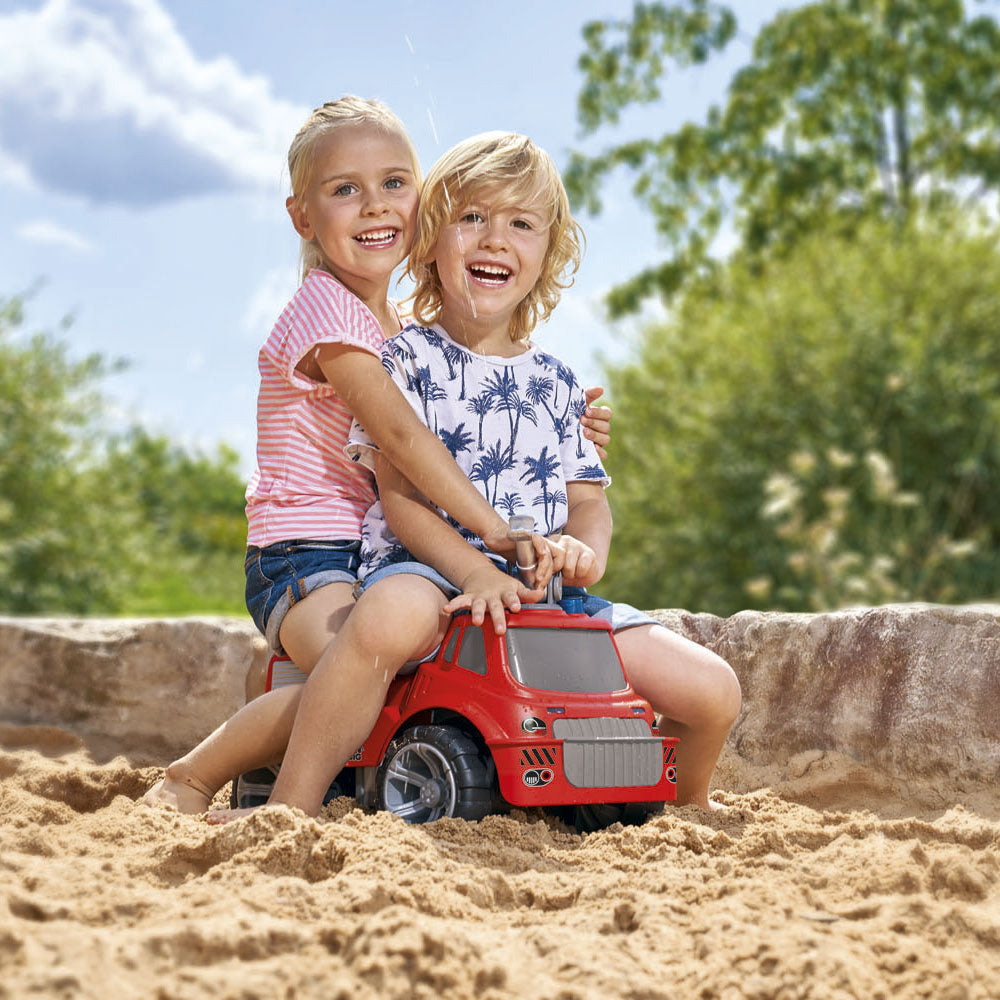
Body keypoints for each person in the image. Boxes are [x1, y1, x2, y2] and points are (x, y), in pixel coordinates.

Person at [203, 130, 740, 822]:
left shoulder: (557, 382)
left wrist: (585, 553)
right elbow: (399, 500)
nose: (494, 239)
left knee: (713, 689)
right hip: (423, 568)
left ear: (548, 253)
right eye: (472, 218)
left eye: (520, 223)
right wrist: (476, 569)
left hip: (542, 595)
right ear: (429, 240)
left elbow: (588, 501)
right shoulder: (405, 359)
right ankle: (291, 805)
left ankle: (684, 805)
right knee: (388, 618)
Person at [141, 98, 611, 813]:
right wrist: (492, 532)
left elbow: (459, 413)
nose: (374, 206)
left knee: (383, 669)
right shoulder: (328, 313)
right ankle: (194, 776)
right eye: (344, 190)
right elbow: (403, 438)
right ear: (303, 217)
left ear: (422, 202)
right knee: (358, 675)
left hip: (367, 548)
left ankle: (280, 695)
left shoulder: (397, 324)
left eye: (394, 183)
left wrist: (557, 424)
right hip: (305, 554)